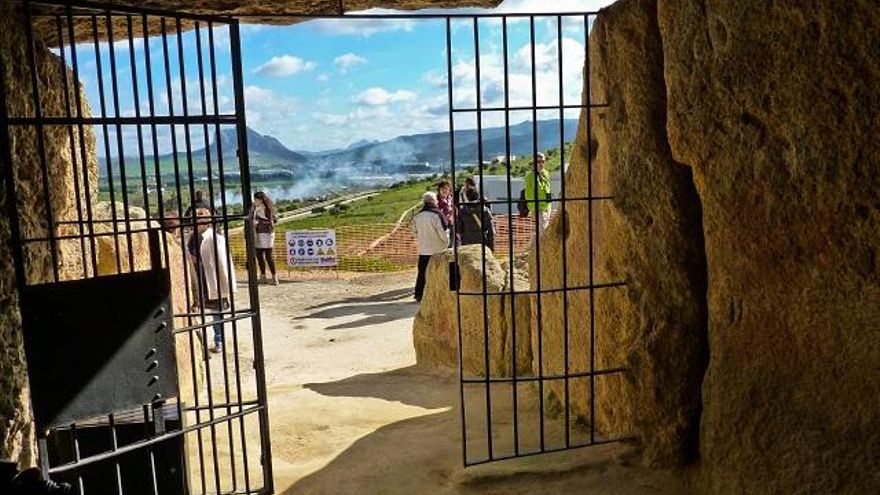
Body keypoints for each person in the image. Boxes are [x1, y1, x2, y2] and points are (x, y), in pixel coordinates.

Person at [194, 208, 236, 354]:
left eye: (199, 219)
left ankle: (219, 341)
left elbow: (222, 263)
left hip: (211, 281)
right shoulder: (193, 237)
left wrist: (226, 283)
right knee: (196, 313)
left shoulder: (215, 238)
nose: (196, 222)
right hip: (197, 280)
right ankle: (199, 343)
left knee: (216, 313)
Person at [411, 191, 449, 302]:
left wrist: (420, 242)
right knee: (440, 271)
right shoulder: (437, 214)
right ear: (433, 201)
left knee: (422, 272)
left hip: (423, 249)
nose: (437, 201)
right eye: (436, 200)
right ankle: (440, 293)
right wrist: (446, 243)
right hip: (438, 249)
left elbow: (414, 232)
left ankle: (419, 294)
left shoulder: (417, 216)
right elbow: (443, 231)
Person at [252, 191, 278, 285]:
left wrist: (258, 222)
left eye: (256, 199)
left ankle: (274, 277)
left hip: (266, 234)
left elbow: (271, 221)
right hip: (258, 233)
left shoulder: (267, 209)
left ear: (261, 200)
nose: (255, 201)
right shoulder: (256, 208)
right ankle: (263, 276)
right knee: (259, 255)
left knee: (268, 255)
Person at [457, 187, 495, 251]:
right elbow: (491, 231)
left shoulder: (462, 211)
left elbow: (459, 229)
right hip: (482, 243)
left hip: (467, 243)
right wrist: (491, 248)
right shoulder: (485, 210)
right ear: (478, 196)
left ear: (467, 197)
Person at [524, 152, 552, 234]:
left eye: (543, 161)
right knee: (543, 232)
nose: (541, 164)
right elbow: (528, 195)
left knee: (543, 230)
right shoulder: (530, 176)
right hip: (538, 208)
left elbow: (547, 189)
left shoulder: (546, 173)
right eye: (538, 161)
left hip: (547, 207)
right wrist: (534, 209)